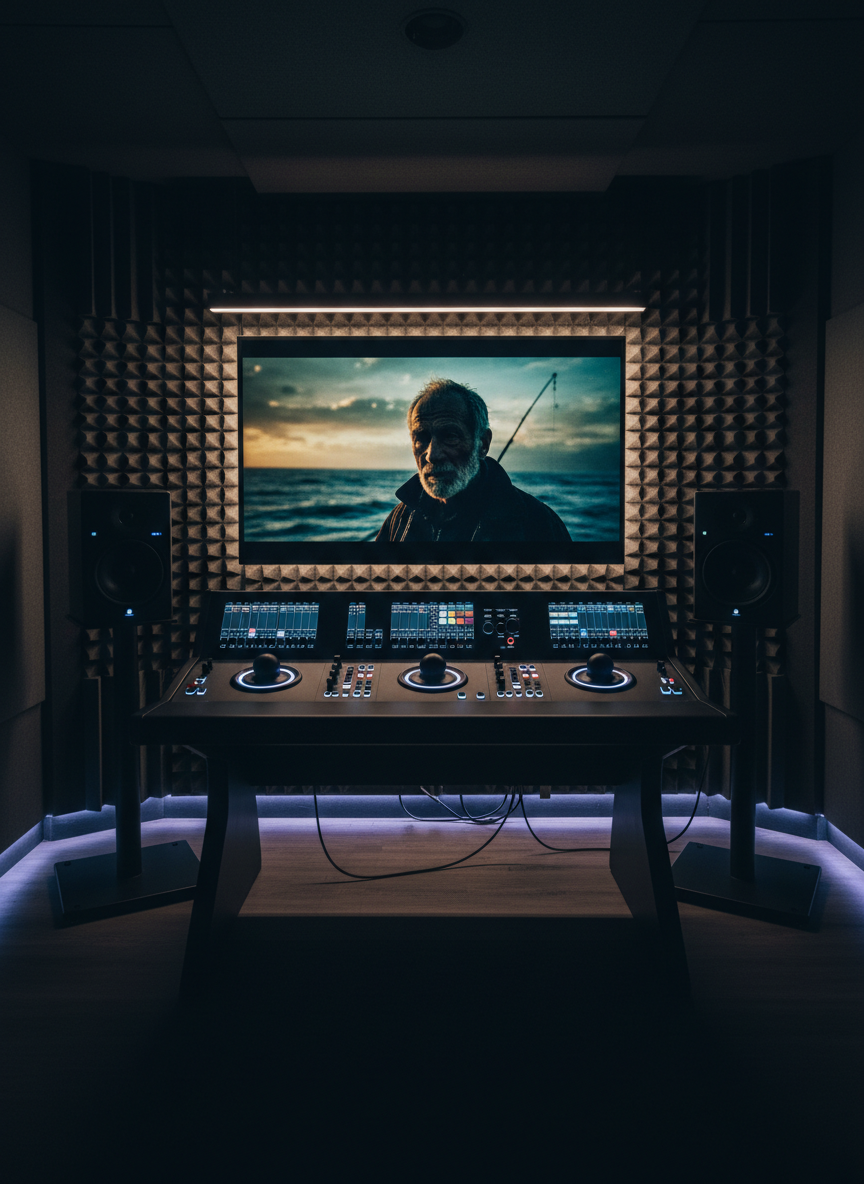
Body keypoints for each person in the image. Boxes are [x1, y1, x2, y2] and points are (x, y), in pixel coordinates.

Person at [375, 378, 572, 543]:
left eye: (450, 436)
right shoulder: (400, 518)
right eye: (422, 438)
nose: (432, 455)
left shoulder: (538, 525)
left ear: (483, 444)